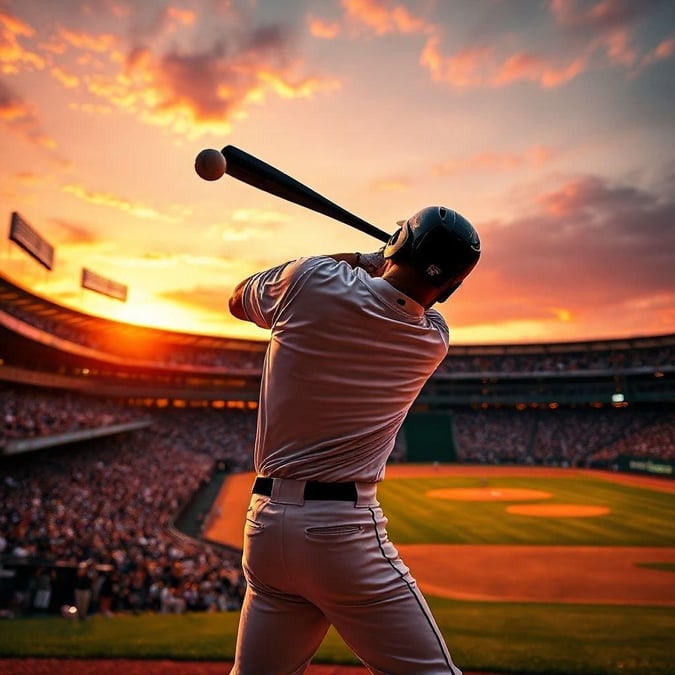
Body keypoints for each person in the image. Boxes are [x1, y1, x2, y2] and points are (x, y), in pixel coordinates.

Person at [228, 206, 480, 674]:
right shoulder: (433, 340)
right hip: (343, 534)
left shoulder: (311, 278)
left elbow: (239, 300)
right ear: (452, 285)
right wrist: (391, 261)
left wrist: (369, 257)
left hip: (264, 529)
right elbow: (427, 300)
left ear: (398, 244)